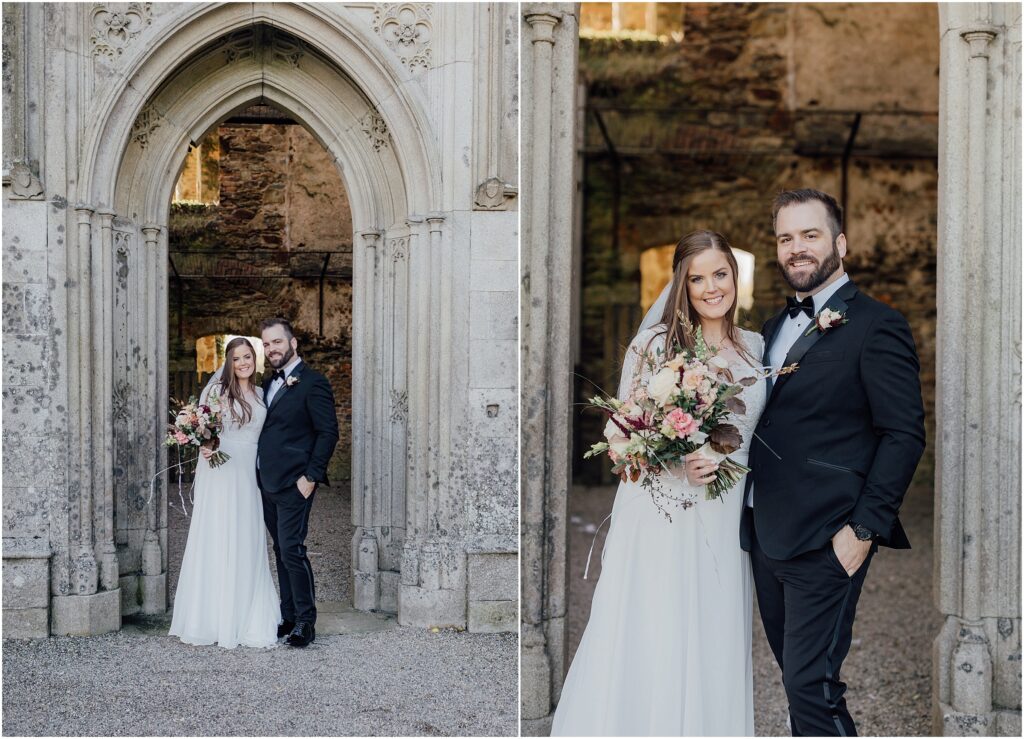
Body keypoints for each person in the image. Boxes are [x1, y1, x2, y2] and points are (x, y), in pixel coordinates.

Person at [552, 230, 764, 736]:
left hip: (729, 514)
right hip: (669, 512)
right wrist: (680, 463)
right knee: (659, 630)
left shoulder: (756, 346)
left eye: (720, 274)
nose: (712, 287)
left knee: (716, 634)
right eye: (698, 279)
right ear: (681, 286)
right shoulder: (654, 346)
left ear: (735, 276)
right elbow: (625, 442)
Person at [741, 188, 925, 736]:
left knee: (810, 687)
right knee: (797, 679)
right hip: (766, 532)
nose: (797, 248)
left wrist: (863, 530)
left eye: (810, 235)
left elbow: (903, 434)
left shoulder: (876, 325)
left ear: (840, 243)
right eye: (785, 238)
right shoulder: (771, 330)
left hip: (829, 536)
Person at [169, 337, 281, 649]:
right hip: (222, 471)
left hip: (249, 473)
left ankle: (246, 614)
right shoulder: (216, 392)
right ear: (229, 362)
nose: (243, 362)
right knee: (217, 536)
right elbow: (204, 430)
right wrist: (204, 444)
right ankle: (211, 618)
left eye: (248, 357)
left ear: (254, 360)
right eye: (237, 358)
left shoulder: (261, 394)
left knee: (247, 537)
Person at [257, 317, 339, 648]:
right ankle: (288, 615)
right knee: (280, 549)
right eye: (265, 344)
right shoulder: (265, 385)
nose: (271, 348)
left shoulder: (312, 383)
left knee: (293, 548)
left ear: (293, 344)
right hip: (266, 482)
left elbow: (328, 432)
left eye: (277, 342)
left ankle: (306, 620)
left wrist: (311, 477)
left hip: (295, 482)